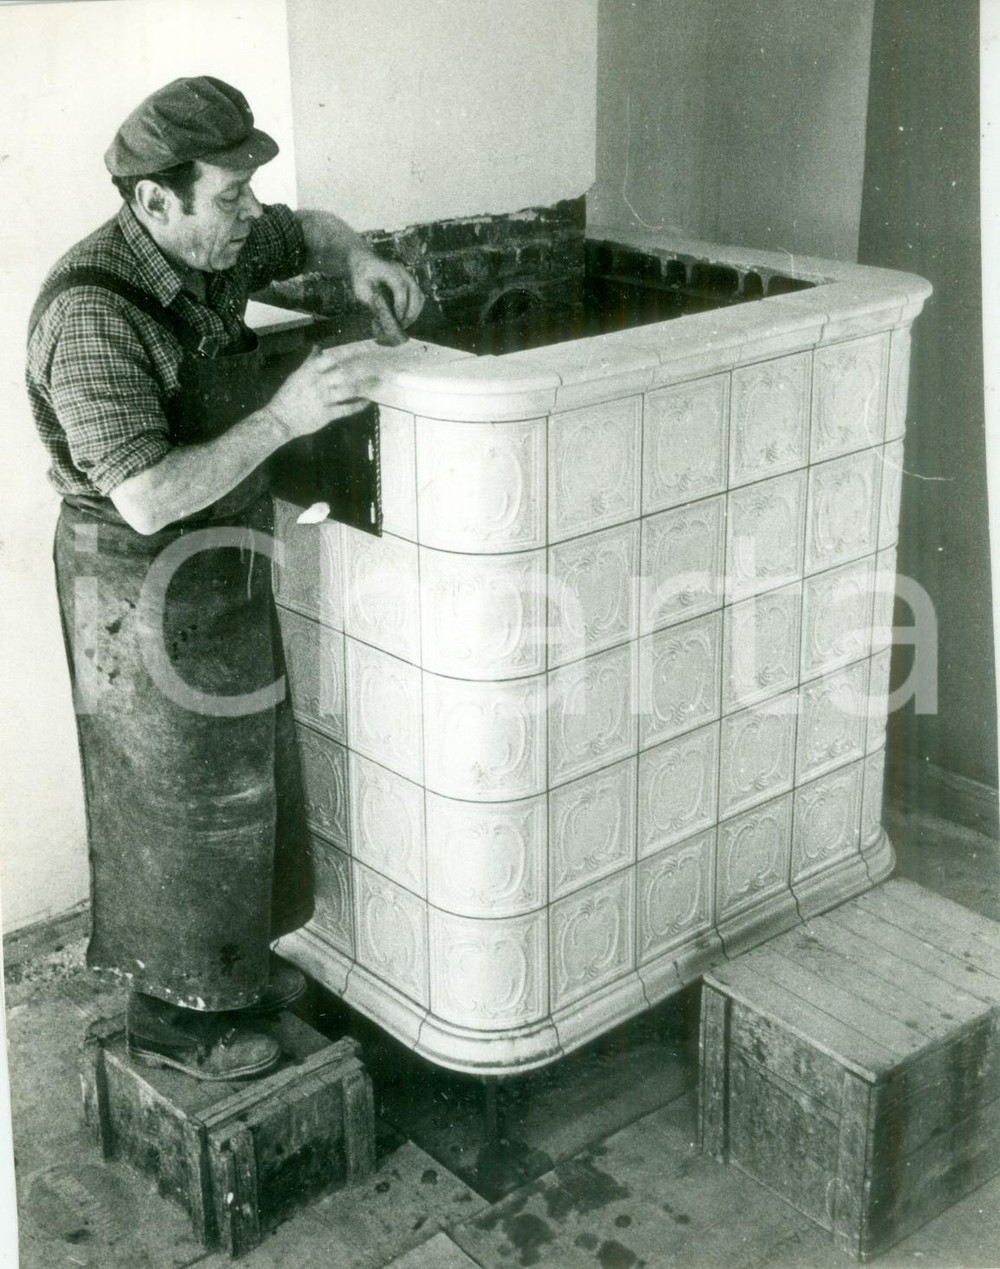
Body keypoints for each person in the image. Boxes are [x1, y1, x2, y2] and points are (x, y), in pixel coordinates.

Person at [25, 76, 423, 1081]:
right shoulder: (93, 314)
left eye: (249, 193)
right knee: (170, 803)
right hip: (135, 586)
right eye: (229, 196)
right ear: (155, 202)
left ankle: (229, 975)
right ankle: (175, 1016)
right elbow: (149, 498)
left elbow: (310, 229)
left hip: (225, 558)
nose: (251, 216)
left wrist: (360, 257)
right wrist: (287, 418)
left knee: (244, 787)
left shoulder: (220, 235)